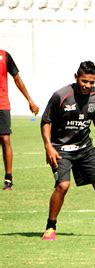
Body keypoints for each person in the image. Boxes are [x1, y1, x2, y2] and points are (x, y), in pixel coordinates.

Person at [40, 61, 95, 241]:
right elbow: (46, 121)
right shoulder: (60, 96)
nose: (87, 86)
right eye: (84, 81)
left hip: (85, 147)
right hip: (61, 149)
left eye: (91, 82)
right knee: (63, 186)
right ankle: (50, 227)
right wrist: (48, 147)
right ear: (76, 77)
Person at [0, 50, 39, 190]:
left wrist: (30, 101)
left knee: (5, 139)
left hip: (2, 104)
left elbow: (17, 78)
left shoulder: (4, 56)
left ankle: (8, 178)